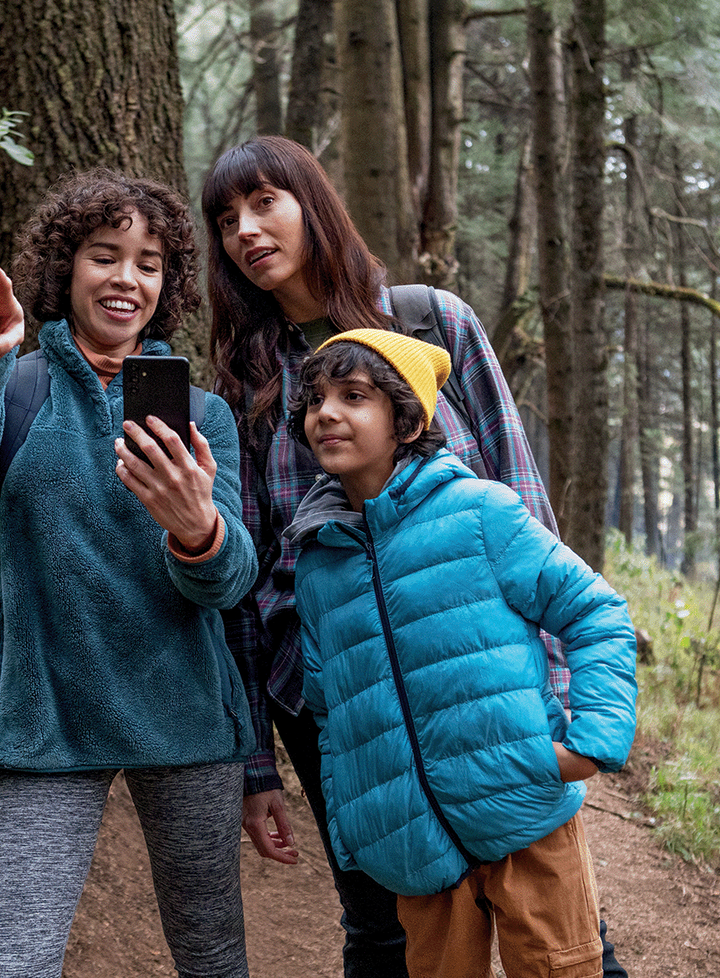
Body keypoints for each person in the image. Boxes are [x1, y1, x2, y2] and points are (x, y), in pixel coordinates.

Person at [201, 134, 628, 977]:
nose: (245, 230)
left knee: (562, 934)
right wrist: (257, 763)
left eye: (263, 202)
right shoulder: (245, 386)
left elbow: (520, 496)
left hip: (481, 676)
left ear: (312, 205)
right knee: (385, 932)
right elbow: (243, 590)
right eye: (225, 218)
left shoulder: (433, 321)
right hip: (340, 700)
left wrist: (561, 696)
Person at [0, 168, 258, 978]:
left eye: (148, 263)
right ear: (66, 268)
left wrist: (198, 529)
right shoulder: (13, 390)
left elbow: (229, 582)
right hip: (44, 718)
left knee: (212, 957)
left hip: (186, 718)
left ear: (166, 285)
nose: (126, 278)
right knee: (14, 964)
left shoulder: (203, 417)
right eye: (105, 256)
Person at [283, 329, 637, 978]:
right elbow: (329, 710)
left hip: (525, 814)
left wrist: (592, 742)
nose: (325, 413)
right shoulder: (316, 563)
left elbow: (597, 614)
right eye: (314, 400)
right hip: (413, 848)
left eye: (353, 396)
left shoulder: (480, 513)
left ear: (407, 420)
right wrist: (354, 824)